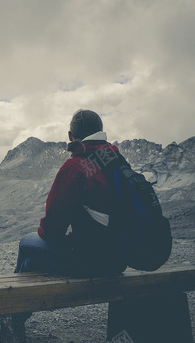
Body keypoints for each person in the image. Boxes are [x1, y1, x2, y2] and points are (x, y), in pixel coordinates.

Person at [14, 109, 127, 277]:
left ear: (70, 136)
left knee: (25, 243)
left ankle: (14, 298)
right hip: (119, 259)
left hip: (89, 260)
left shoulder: (75, 167)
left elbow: (51, 230)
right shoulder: (116, 160)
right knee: (30, 264)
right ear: (101, 131)